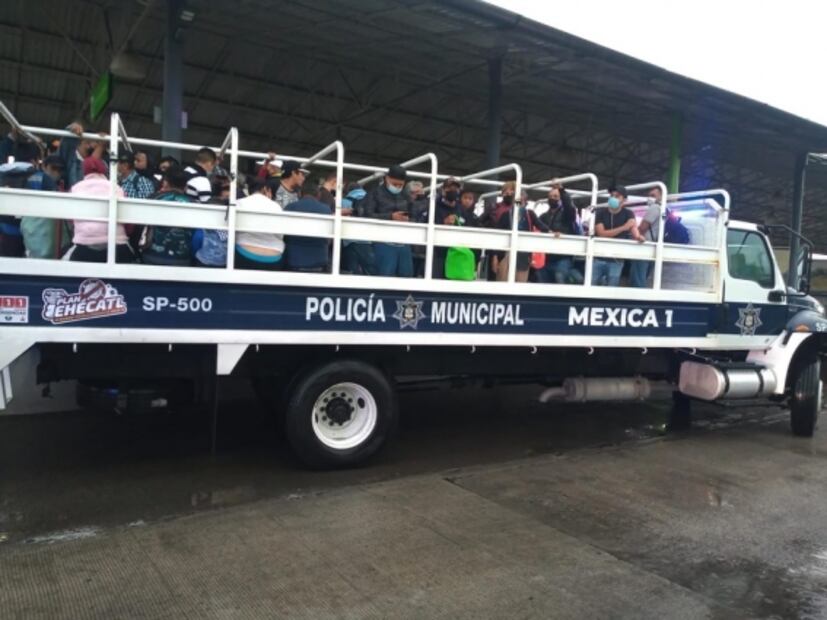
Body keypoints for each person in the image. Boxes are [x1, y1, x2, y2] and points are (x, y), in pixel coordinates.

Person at [66, 157, 135, 263]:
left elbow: (70, 219)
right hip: (117, 244)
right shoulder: (117, 188)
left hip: (84, 245)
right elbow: (128, 223)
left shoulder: (75, 189)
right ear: (103, 170)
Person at [487, 181, 547, 282]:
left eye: (519, 195)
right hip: (505, 255)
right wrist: (495, 256)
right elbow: (497, 235)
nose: (518, 198)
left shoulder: (529, 214)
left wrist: (552, 232)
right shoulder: (505, 214)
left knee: (520, 285)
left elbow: (542, 226)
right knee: (502, 284)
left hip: (523, 257)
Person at [363, 164, 413, 277]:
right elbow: (367, 215)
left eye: (400, 185)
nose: (397, 187)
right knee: (384, 276)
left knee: (407, 277)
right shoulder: (374, 193)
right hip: (383, 242)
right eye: (394, 184)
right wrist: (390, 217)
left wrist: (409, 219)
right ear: (386, 178)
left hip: (404, 242)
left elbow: (415, 214)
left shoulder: (406, 195)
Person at [140, 167, 194, 266]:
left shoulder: (153, 199)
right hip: (182, 258)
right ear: (185, 186)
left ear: (166, 183)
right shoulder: (192, 204)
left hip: (152, 256)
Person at [592, 185, 644, 286]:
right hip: (598, 257)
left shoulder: (629, 213)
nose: (613, 198)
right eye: (612, 195)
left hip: (617, 260)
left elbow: (633, 227)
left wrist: (638, 237)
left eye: (617, 196)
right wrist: (624, 227)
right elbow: (601, 234)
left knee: (612, 288)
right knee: (592, 284)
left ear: (624, 199)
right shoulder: (600, 213)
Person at [538, 182, 584, 284]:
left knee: (560, 278)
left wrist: (562, 191)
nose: (552, 198)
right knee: (542, 281)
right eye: (550, 196)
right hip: (546, 256)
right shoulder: (543, 216)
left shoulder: (566, 214)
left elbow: (570, 207)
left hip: (563, 256)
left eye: (555, 196)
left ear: (560, 198)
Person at [234, 177, 284, 270]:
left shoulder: (239, 203)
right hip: (274, 256)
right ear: (265, 189)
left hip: (245, 253)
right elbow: (280, 235)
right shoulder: (276, 206)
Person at [284, 196, 333, 272]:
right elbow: (329, 237)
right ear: (318, 194)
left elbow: (285, 236)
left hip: (294, 260)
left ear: (300, 194)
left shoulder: (290, 207)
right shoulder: (326, 209)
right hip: (319, 260)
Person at [629, 186, 663, 288]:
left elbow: (644, 226)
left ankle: (636, 300)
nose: (650, 198)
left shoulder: (654, 208)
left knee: (638, 277)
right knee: (643, 275)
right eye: (649, 196)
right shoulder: (663, 209)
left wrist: (635, 234)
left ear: (661, 196)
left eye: (653, 195)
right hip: (654, 245)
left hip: (644, 245)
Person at [341, 184, 377, 276]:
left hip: (350, 241)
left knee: (352, 271)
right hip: (367, 241)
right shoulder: (371, 201)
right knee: (371, 270)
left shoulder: (343, 202)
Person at [194, 179, 230, 268]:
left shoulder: (202, 230)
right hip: (222, 264)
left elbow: (195, 245)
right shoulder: (227, 231)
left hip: (202, 261)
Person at [432, 177, 463, 278]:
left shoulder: (460, 208)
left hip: (456, 253)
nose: (453, 191)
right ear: (443, 189)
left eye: (456, 188)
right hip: (438, 253)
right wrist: (443, 223)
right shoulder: (434, 206)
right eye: (450, 188)